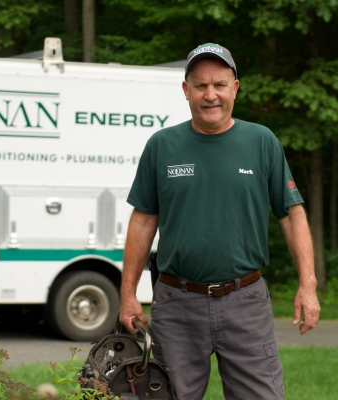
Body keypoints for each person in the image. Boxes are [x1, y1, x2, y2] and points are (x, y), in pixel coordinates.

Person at [120, 43, 321, 400]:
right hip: (176, 302)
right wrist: (128, 294)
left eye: (220, 84)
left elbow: (291, 214)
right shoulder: (162, 145)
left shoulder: (262, 142)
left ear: (235, 88)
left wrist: (307, 283)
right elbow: (143, 221)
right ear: (186, 90)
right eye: (200, 86)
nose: (210, 95)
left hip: (245, 301)